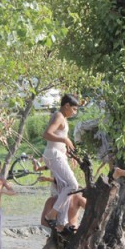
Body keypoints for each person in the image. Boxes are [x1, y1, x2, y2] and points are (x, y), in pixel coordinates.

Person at [42, 94, 80, 232]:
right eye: (74, 109)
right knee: (73, 185)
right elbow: (46, 134)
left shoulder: (63, 118)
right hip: (53, 155)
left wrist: (71, 156)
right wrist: (64, 140)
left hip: (58, 155)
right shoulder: (58, 116)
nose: (75, 112)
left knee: (64, 188)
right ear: (67, 106)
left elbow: (61, 140)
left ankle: (61, 223)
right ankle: (51, 214)